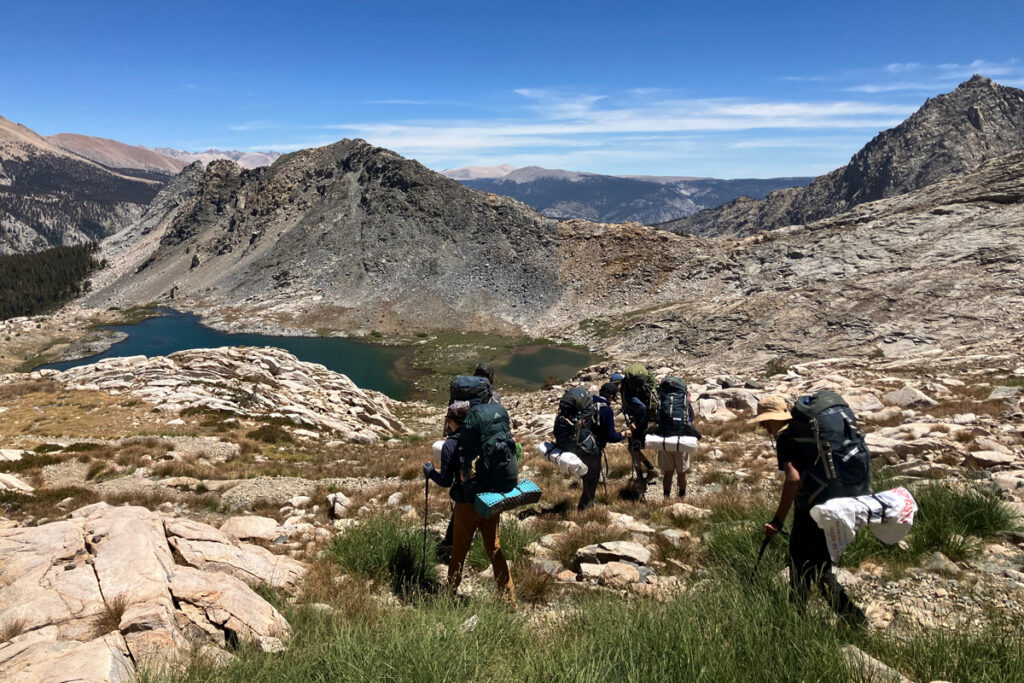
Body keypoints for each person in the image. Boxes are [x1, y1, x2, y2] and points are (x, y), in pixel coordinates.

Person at [752, 395, 866, 624]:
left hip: (810, 510)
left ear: (774, 419)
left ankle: (804, 617)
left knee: (801, 563)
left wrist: (778, 520)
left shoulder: (786, 437)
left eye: (765, 422)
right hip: (834, 502)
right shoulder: (804, 431)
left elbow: (793, 480)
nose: (763, 427)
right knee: (819, 564)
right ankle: (847, 618)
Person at [424, 401, 516, 606]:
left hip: (466, 504)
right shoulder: (485, 439)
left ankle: (450, 592)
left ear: (451, 421)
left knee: (459, 550)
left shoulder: (450, 445)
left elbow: (446, 481)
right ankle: (510, 599)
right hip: (490, 500)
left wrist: (431, 473)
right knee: (494, 548)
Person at [578, 382, 629, 510]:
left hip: (579, 445)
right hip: (593, 449)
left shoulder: (588, 402)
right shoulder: (606, 410)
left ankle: (585, 506)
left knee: (586, 477)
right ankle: (586, 509)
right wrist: (624, 434)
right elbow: (611, 437)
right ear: (611, 396)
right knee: (592, 479)